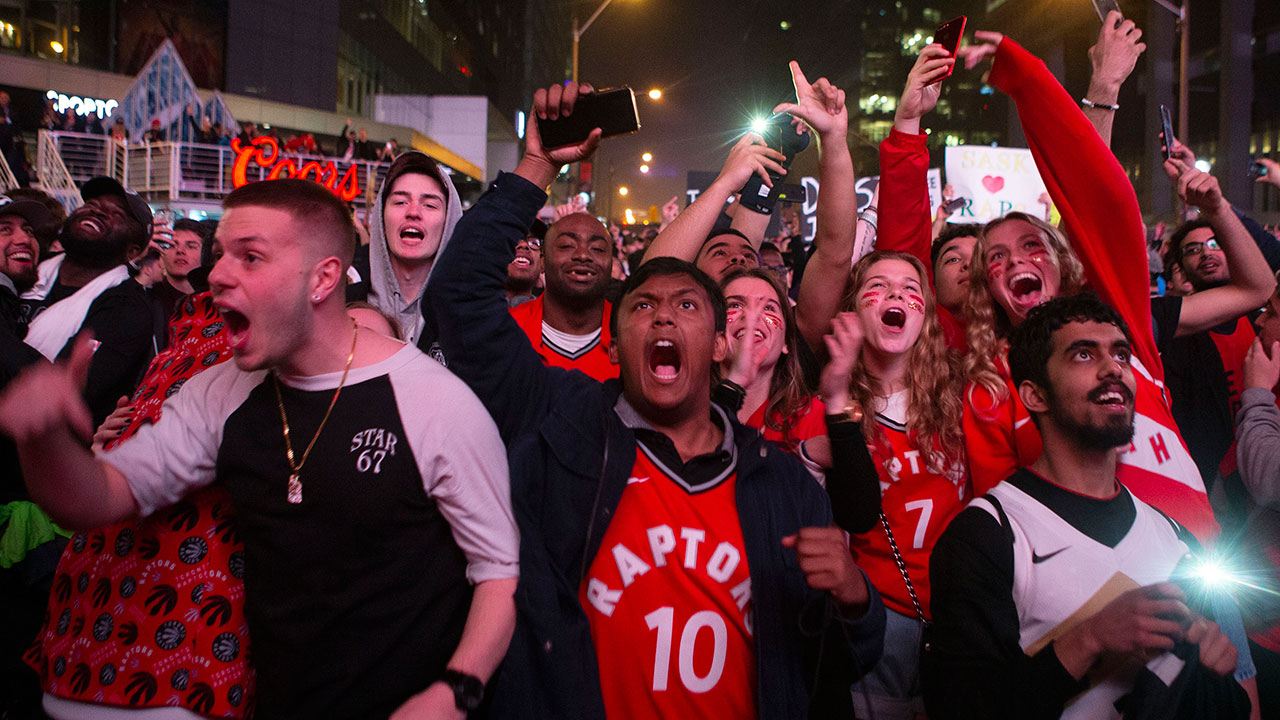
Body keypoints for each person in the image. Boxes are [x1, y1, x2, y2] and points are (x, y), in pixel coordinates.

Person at [429, 79, 885, 719]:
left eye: (690, 305)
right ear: (613, 347)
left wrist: (857, 599)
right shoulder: (560, 426)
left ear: (722, 342)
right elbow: (457, 297)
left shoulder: (781, 486)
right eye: (643, 306)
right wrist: (536, 167)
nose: (665, 318)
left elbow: (836, 663)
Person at [0, 178, 518, 719]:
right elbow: (102, 496)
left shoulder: (435, 401)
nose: (219, 275)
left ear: (322, 278)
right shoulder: (220, 390)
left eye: (251, 257)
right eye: (221, 255)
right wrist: (44, 441)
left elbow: (499, 570)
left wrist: (455, 692)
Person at [924, 292, 1248, 720]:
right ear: (1035, 395)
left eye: (1121, 354)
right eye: (1082, 354)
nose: (1113, 368)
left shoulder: (1173, 536)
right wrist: (1087, 640)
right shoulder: (988, 535)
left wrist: (1216, 673)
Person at [833, 249, 968, 718]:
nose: (895, 293)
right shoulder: (828, 407)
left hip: (959, 618)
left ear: (926, 315)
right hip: (876, 620)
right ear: (853, 310)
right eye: (878, 285)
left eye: (911, 289)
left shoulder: (963, 394)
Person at [19, 177, 154, 426]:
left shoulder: (128, 309)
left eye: (117, 213)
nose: (98, 209)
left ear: (132, 252)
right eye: (91, 203)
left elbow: (64, 390)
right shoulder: (28, 267)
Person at [347, 150, 463, 350]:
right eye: (400, 202)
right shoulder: (342, 307)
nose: (413, 212)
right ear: (381, 217)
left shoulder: (471, 316)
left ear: (449, 222)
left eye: (429, 205)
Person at [509, 210, 618, 381]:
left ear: (611, 264)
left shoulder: (630, 335)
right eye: (567, 245)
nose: (583, 255)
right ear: (543, 261)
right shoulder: (506, 329)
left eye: (597, 249)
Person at [506, 219, 544, 306]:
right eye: (514, 238)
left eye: (534, 242)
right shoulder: (471, 311)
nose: (524, 245)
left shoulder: (552, 318)